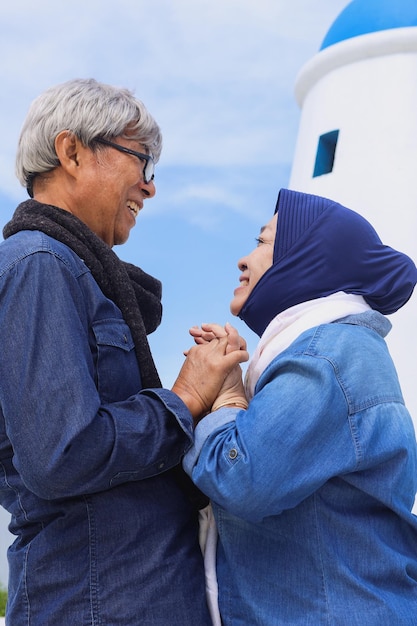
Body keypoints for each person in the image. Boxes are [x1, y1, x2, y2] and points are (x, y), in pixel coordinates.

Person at [0, 78, 248, 625]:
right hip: (98, 601)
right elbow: (62, 454)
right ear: (71, 152)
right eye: (141, 160)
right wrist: (184, 399)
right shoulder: (39, 264)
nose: (149, 186)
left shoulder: (68, 272)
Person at [184, 188, 417, 625]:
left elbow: (243, 478)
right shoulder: (336, 349)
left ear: (309, 255)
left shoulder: (325, 355)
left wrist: (227, 398)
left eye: (262, 241)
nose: (243, 259)